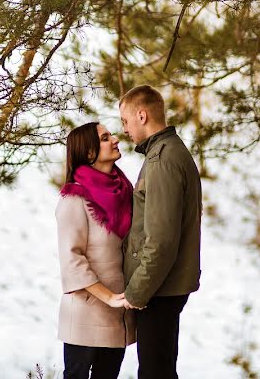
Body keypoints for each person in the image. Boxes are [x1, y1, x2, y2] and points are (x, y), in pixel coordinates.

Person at [118, 85, 202, 379]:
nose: (124, 129)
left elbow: (162, 241)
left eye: (125, 121)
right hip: (163, 286)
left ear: (142, 115)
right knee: (159, 369)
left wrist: (136, 292)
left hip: (159, 288)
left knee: (155, 372)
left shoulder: (163, 159)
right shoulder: (164, 153)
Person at [56, 122, 137, 379]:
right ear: (90, 153)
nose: (114, 139)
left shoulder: (126, 191)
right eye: (105, 138)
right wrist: (109, 297)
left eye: (110, 134)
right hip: (86, 314)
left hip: (118, 315)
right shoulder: (74, 199)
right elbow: (72, 259)